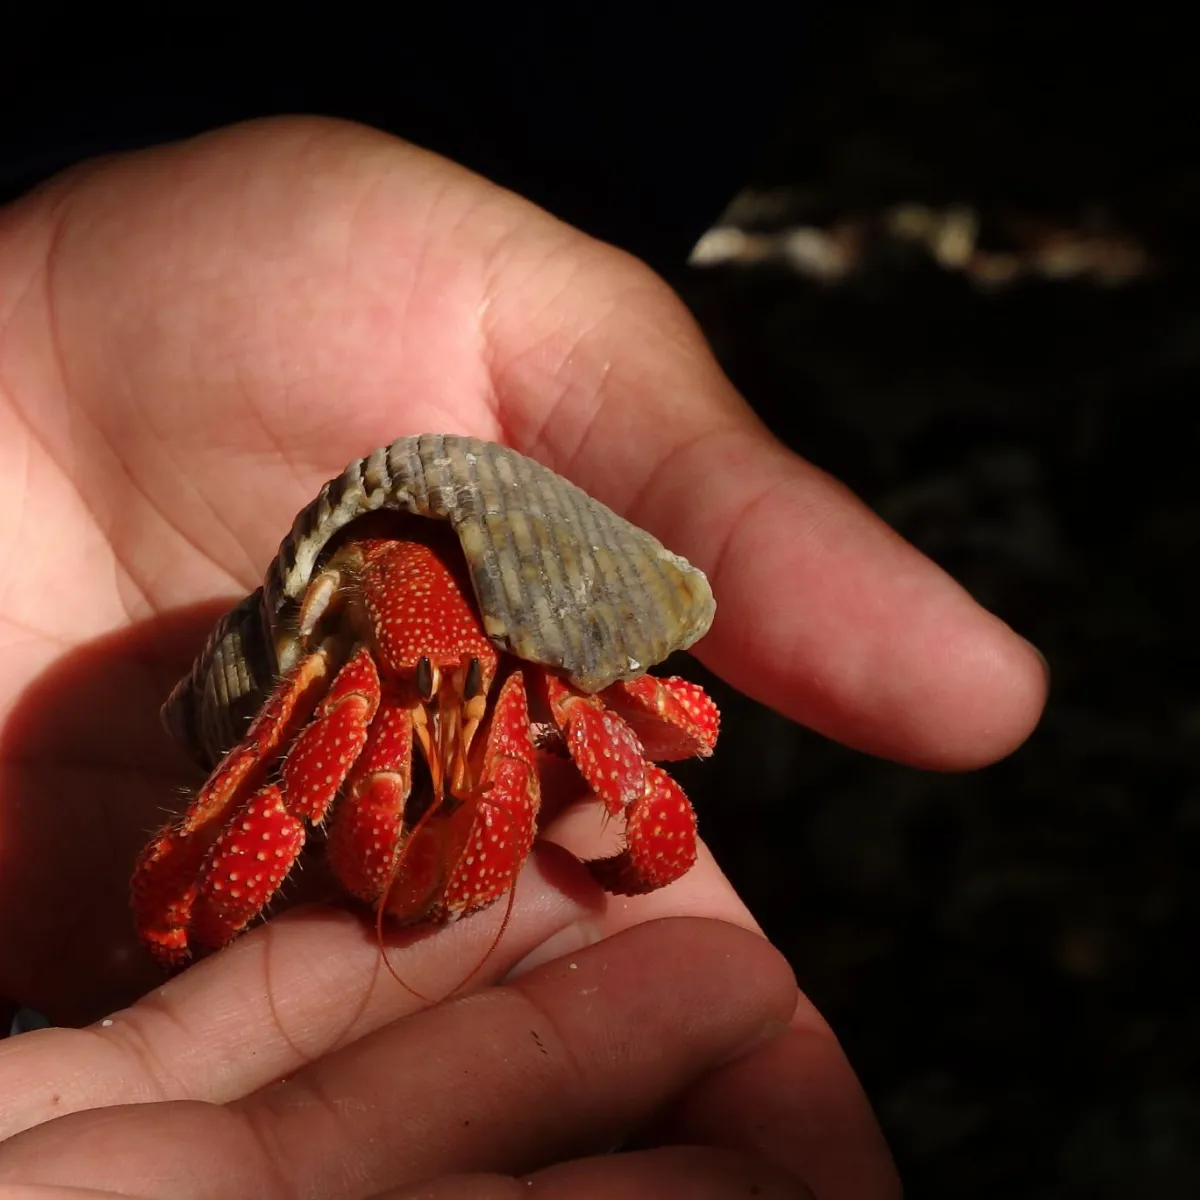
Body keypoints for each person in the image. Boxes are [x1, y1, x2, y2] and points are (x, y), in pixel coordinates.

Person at [0, 117, 1046, 1198]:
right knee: (348, 728)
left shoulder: (502, 648)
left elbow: (679, 736)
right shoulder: (344, 662)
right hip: (353, 650)